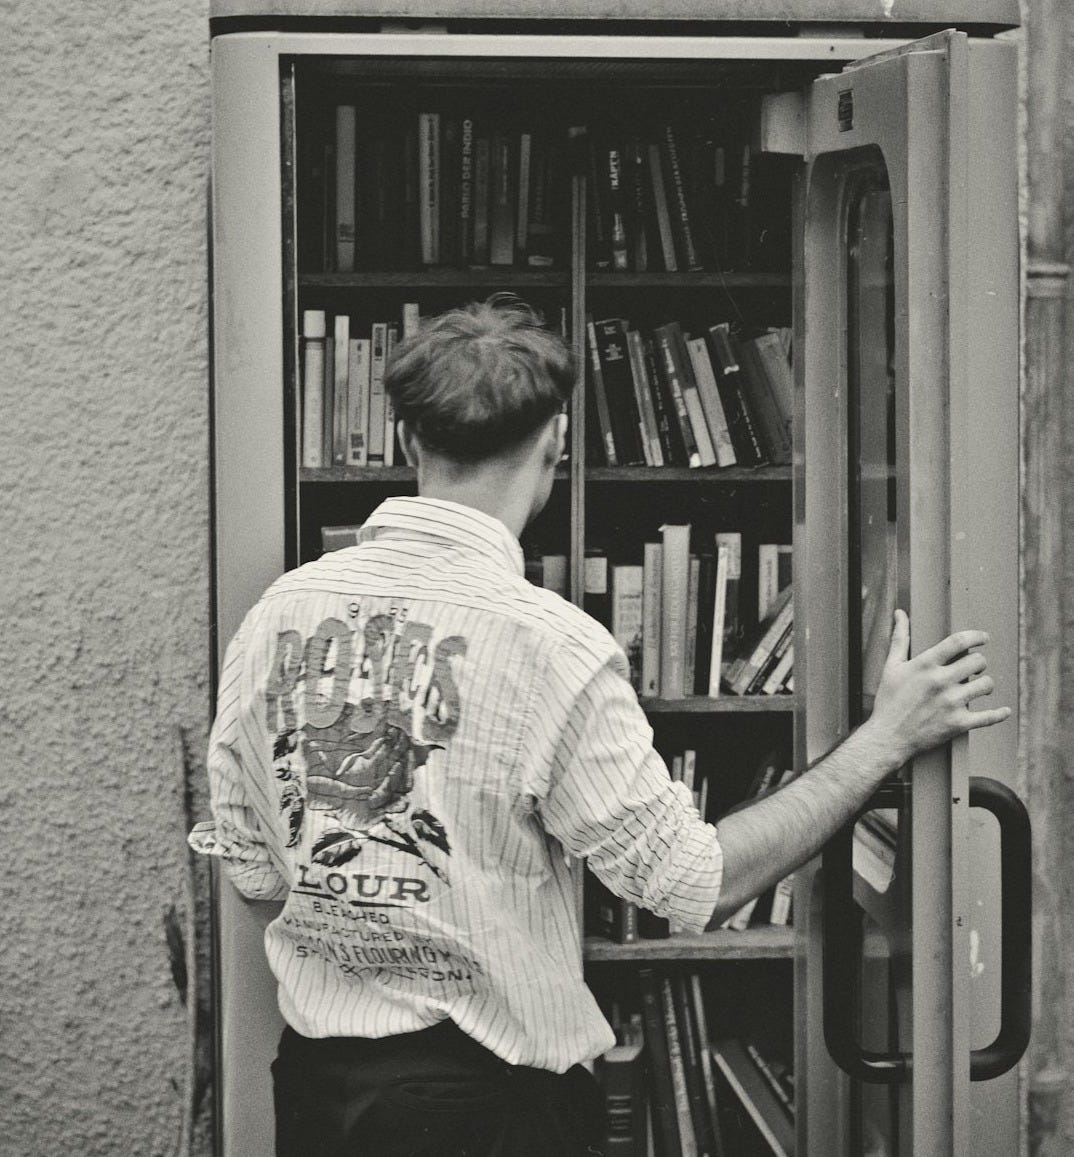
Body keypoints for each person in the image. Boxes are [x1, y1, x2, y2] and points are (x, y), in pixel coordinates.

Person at [189, 295, 1010, 1157]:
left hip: (320, 1101)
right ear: (557, 442)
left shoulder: (278, 614)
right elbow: (696, 886)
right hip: (489, 1113)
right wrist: (886, 737)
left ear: (408, 443)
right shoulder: (552, 646)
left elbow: (254, 876)